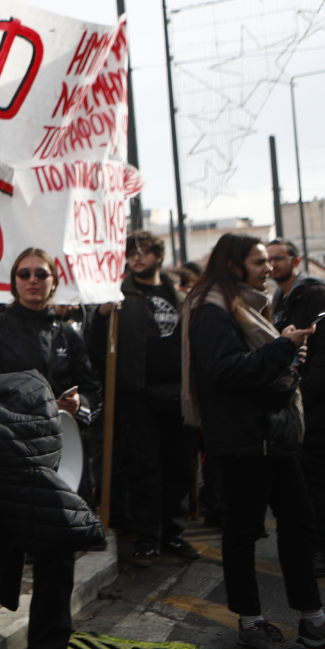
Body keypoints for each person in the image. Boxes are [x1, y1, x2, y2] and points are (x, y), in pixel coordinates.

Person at [181, 234, 325, 649]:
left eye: (269, 261)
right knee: (243, 534)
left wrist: (282, 347)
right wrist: (283, 346)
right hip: (243, 442)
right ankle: (251, 622)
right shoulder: (211, 309)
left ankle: (312, 620)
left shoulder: (243, 304)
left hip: (271, 436)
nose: (267, 268)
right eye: (258, 261)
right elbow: (227, 372)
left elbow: (249, 365)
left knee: (299, 524)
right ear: (233, 265)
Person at [0, 248, 98, 649]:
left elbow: (93, 390)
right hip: (4, 463)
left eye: (40, 273)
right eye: (23, 273)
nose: (32, 280)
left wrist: (82, 407)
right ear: (13, 281)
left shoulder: (68, 335)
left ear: (53, 281)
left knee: (57, 562)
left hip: (58, 464)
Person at [88, 230, 198, 567]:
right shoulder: (120, 295)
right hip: (137, 393)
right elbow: (95, 349)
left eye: (145, 251)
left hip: (178, 393)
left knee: (179, 464)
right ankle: (147, 538)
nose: (137, 257)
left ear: (158, 256)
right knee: (144, 467)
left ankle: (173, 534)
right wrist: (101, 317)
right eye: (132, 251)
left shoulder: (178, 295)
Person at [266, 239, 325, 576]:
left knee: (313, 477)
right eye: (268, 260)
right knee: (317, 475)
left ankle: (318, 548)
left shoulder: (313, 293)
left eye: (278, 259)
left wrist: (308, 389)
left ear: (295, 261)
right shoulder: (279, 299)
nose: (272, 265)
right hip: (299, 401)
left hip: (314, 403)